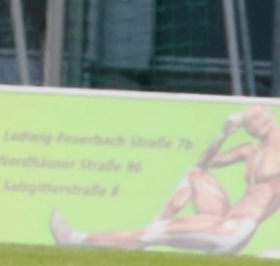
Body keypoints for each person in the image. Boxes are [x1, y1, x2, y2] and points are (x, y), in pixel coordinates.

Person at [53, 106, 280, 254]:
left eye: (258, 118)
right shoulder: (250, 150)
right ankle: (154, 228)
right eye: (248, 122)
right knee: (194, 174)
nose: (255, 124)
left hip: (235, 229)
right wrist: (223, 134)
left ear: (270, 116)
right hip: (225, 218)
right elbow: (203, 163)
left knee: (154, 234)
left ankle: (76, 239)